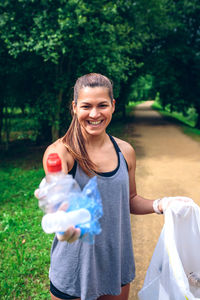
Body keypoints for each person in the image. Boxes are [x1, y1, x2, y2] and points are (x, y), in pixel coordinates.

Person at [35, 73, 191, 300]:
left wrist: (162, 204)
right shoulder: (60, 153)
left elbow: (130, 199)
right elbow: (58, 202)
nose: (95, 114)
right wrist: (63, 224)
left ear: (113, 106)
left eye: (102, 105)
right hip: (74, 269)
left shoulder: (125, 151)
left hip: (115, 263)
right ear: (74, 107)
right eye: (86, 106)